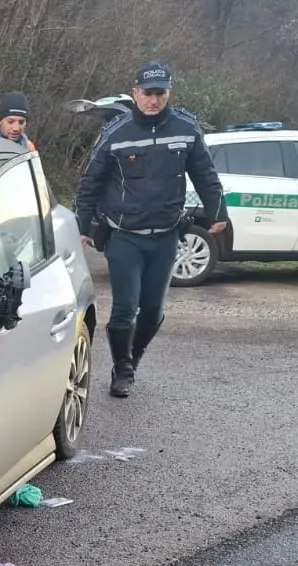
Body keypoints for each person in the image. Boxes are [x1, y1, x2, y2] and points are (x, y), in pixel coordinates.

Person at [74, 60, 228, 398]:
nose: (153, 100)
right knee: (125, 307)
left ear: (168, 93)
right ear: (135, 93)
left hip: (166, 234)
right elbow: (91, 182)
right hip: (124, 235)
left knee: (153, 311)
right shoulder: (116, 132)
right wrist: (82, 225)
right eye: (147, 93)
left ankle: (133, 357)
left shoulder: (186, 128)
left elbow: (205, 174)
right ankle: (122, 369)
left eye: (160, 93)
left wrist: (218, 211)